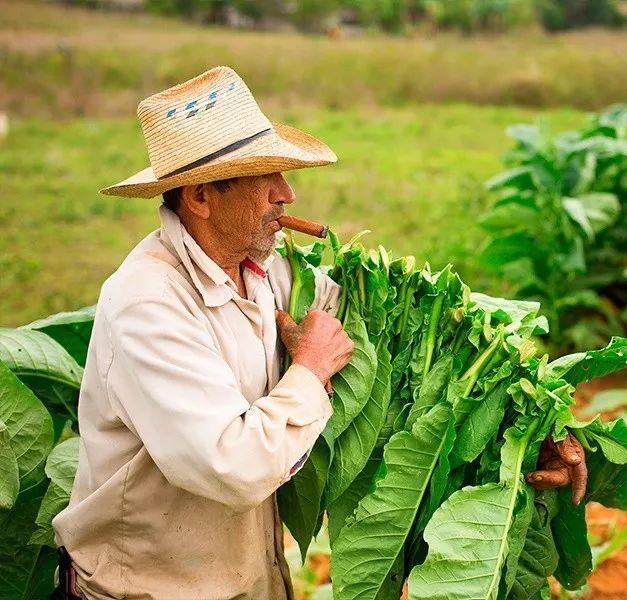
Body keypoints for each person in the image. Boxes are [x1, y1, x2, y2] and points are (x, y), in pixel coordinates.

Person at [52, 66, 585, 600]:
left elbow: (396, 336)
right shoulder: (148, 303)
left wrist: (535, 428)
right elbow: (230, 466)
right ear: (200, 197)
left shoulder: (270, 272)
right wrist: (309, 370)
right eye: (266, 180)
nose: (286, 194)